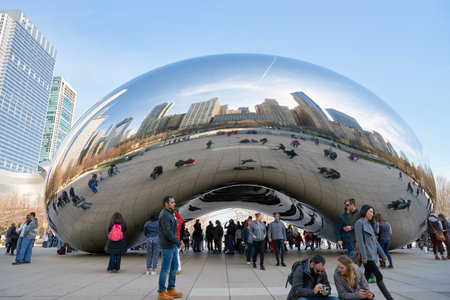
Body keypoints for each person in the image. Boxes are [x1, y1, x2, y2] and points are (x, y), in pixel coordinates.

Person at [355, 205, 393, 300]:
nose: (372, 214)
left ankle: (356, 295)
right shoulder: (359, 223)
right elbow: (359, 241)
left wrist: (382, 255)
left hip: (372, 255)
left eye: (373, 212)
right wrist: (364, 256)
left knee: (365, 278)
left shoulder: (370, 225)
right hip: (367, 256)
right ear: (365, 211)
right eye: (370, 212)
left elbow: (375, 242)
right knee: (379, 276)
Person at [158, 196, 184, 300]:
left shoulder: (170, 214)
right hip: (167, 246)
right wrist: (178, 242)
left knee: (174, 267)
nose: (174, 204)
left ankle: (171, 289)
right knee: (165, 269)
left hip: (172, 245)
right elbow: (167, 232)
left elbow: (177, 225)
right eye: (172, 202)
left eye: (174, 202)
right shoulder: (164, 215)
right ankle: (161, 292)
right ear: (166, 204)